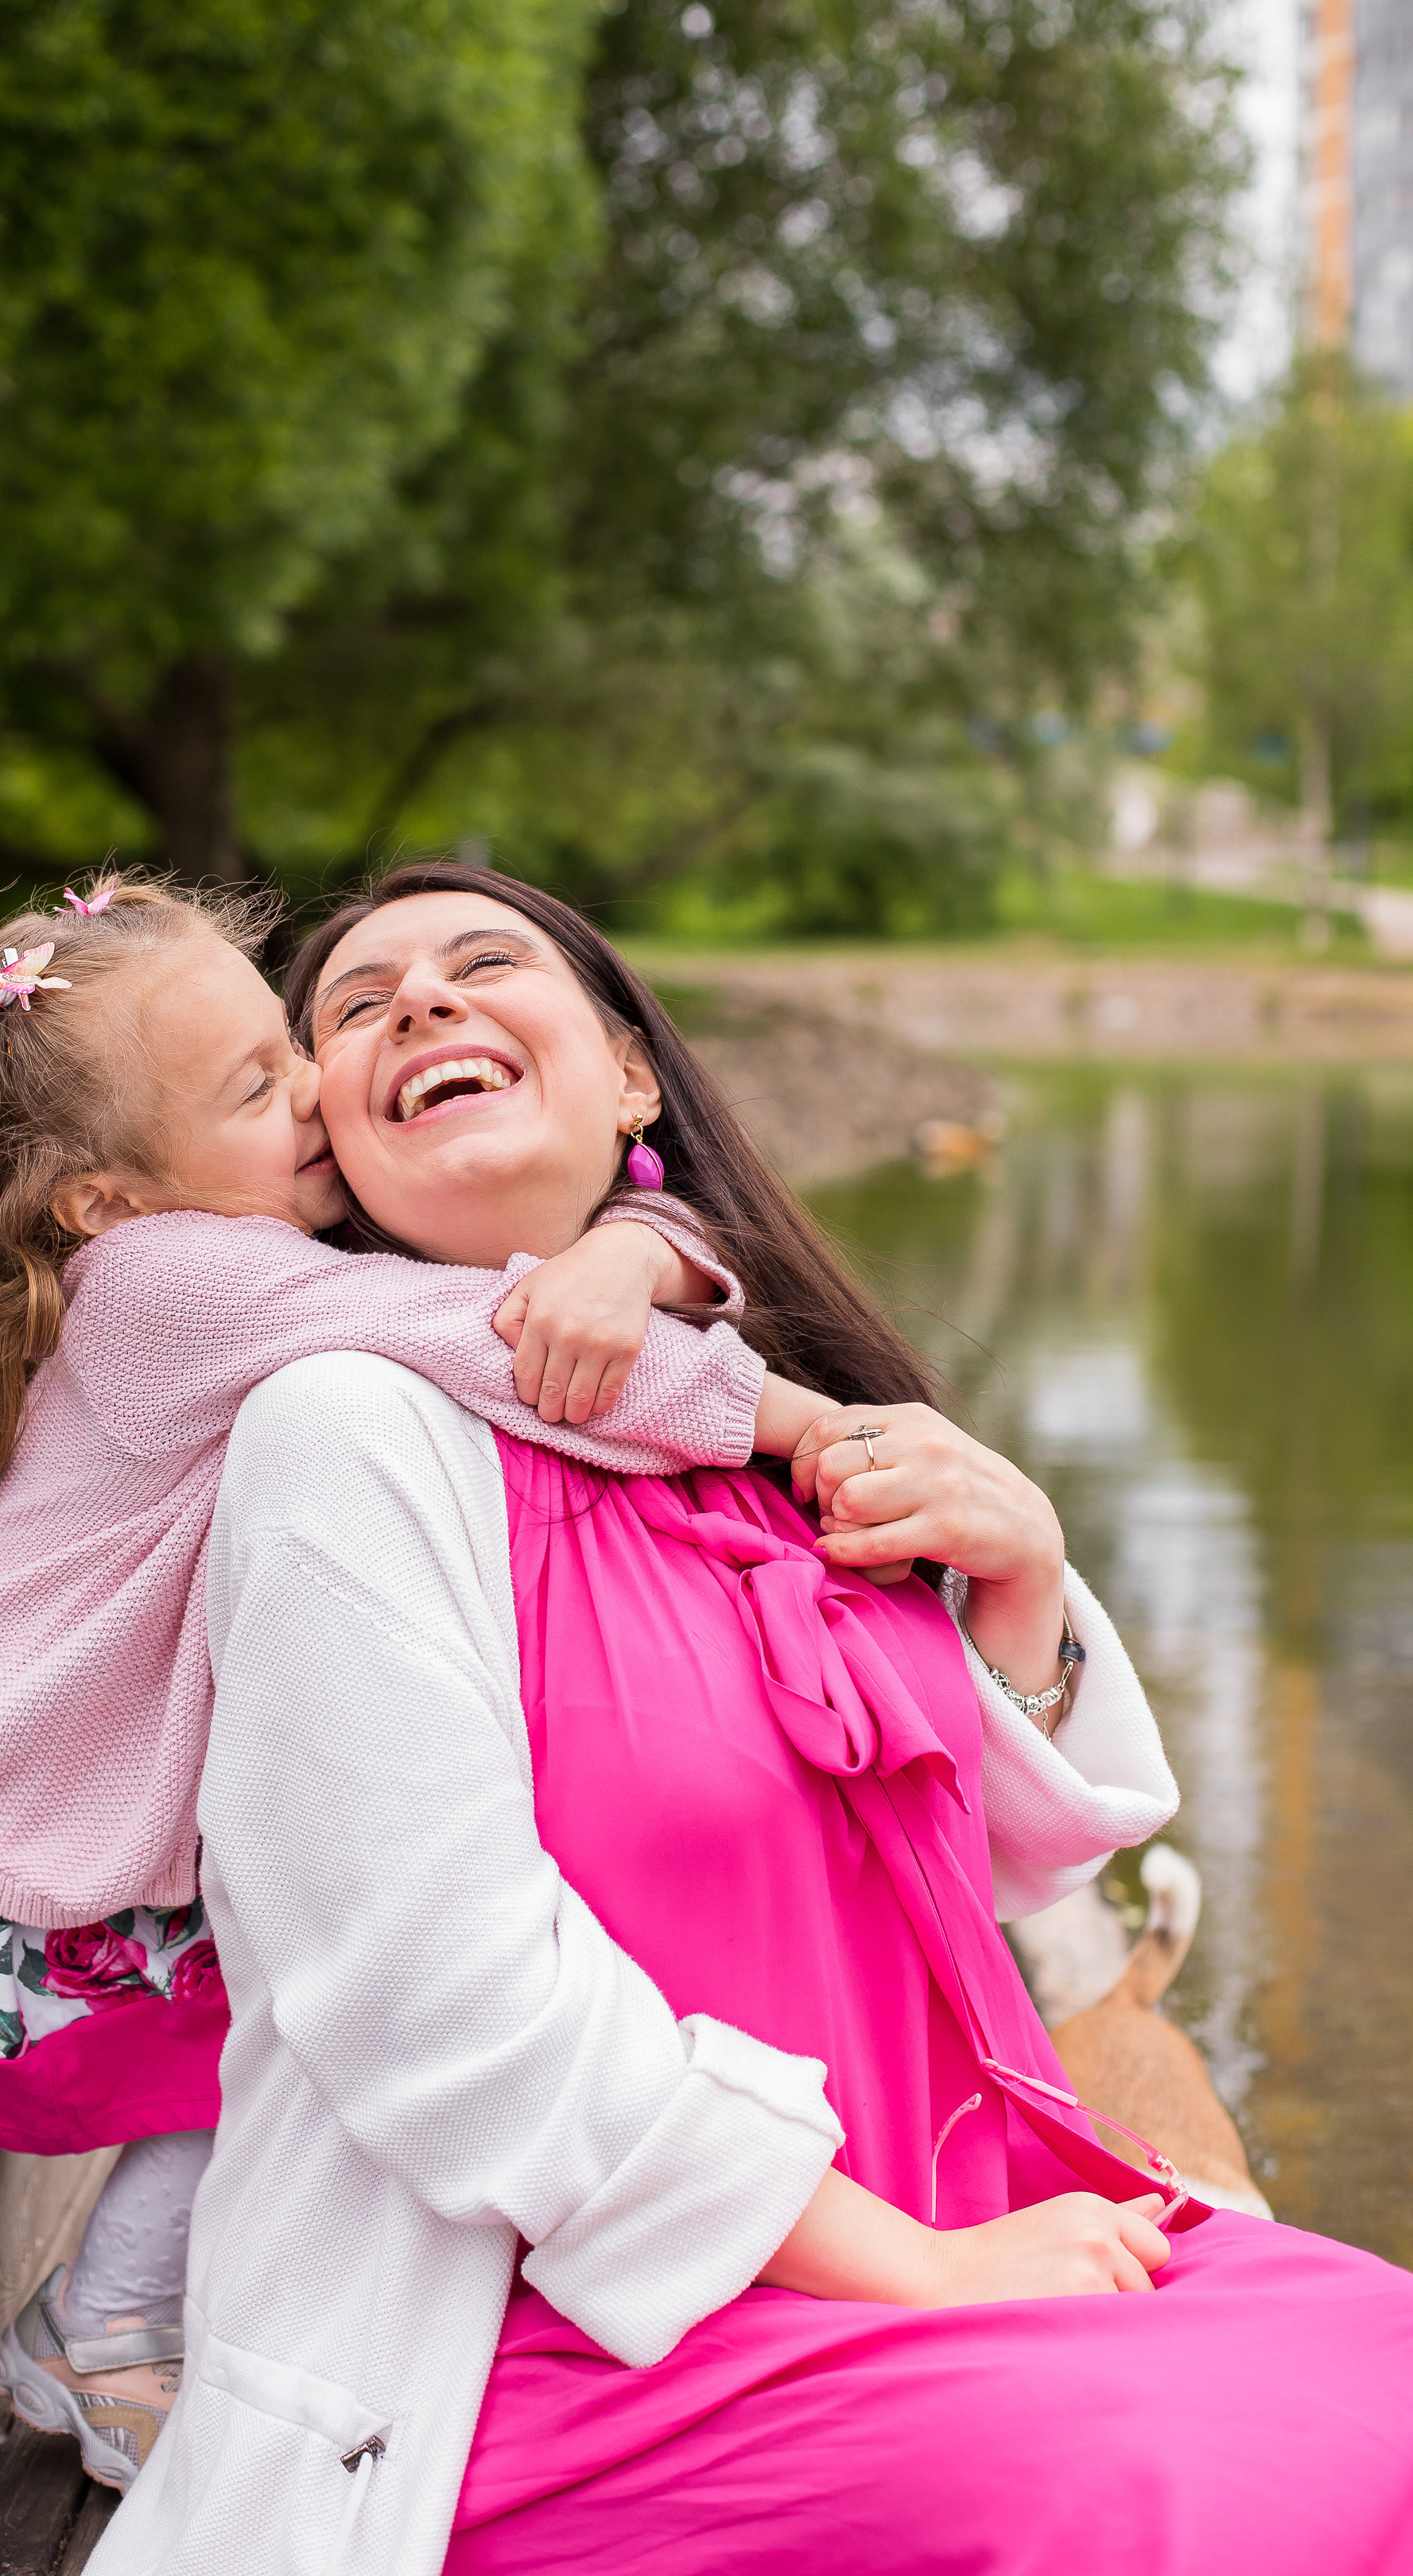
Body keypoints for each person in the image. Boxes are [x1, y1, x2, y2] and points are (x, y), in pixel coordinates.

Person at [91, 862, 1413, 2576]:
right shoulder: (342, 1437)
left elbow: (998, 1869)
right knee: (1174, 2488)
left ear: (633, 1076)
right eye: (357, 1005)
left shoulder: (748, 1429)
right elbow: (444, 2008)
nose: (421, 1000)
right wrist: (918, 2271)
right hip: (564, 2342)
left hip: (946, 2226)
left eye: (483, 963)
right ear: (329, 1139)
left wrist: (1018, 1592)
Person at [0, 872, 855, 2493]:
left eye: (282, 1048)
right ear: (106, 1199)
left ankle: (123, 2321)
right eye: (259, 1086)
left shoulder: (190, 1254)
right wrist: (801, 1417)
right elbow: (497, 1337)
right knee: (263, 2006)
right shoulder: (180, 1281)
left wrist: (649, 1245)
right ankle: (103, 2335)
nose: (317, 1087)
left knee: (263, 1983)